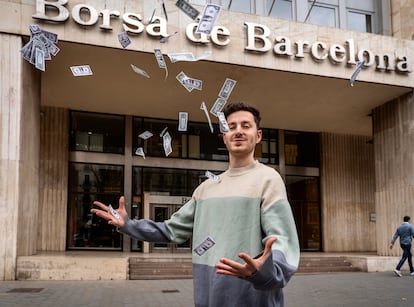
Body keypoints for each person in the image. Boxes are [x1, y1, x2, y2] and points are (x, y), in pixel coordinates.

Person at [91, 102, 300, 307]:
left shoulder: (268, 179)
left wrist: (264, 270)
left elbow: (282, 240)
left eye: (246, 126)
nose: (238, 131)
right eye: (231, 127)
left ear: (259, 136)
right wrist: (128, 225)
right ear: (224, 137)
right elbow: (171, 230)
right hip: (208, 298)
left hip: (253, 298)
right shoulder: (206, 188)